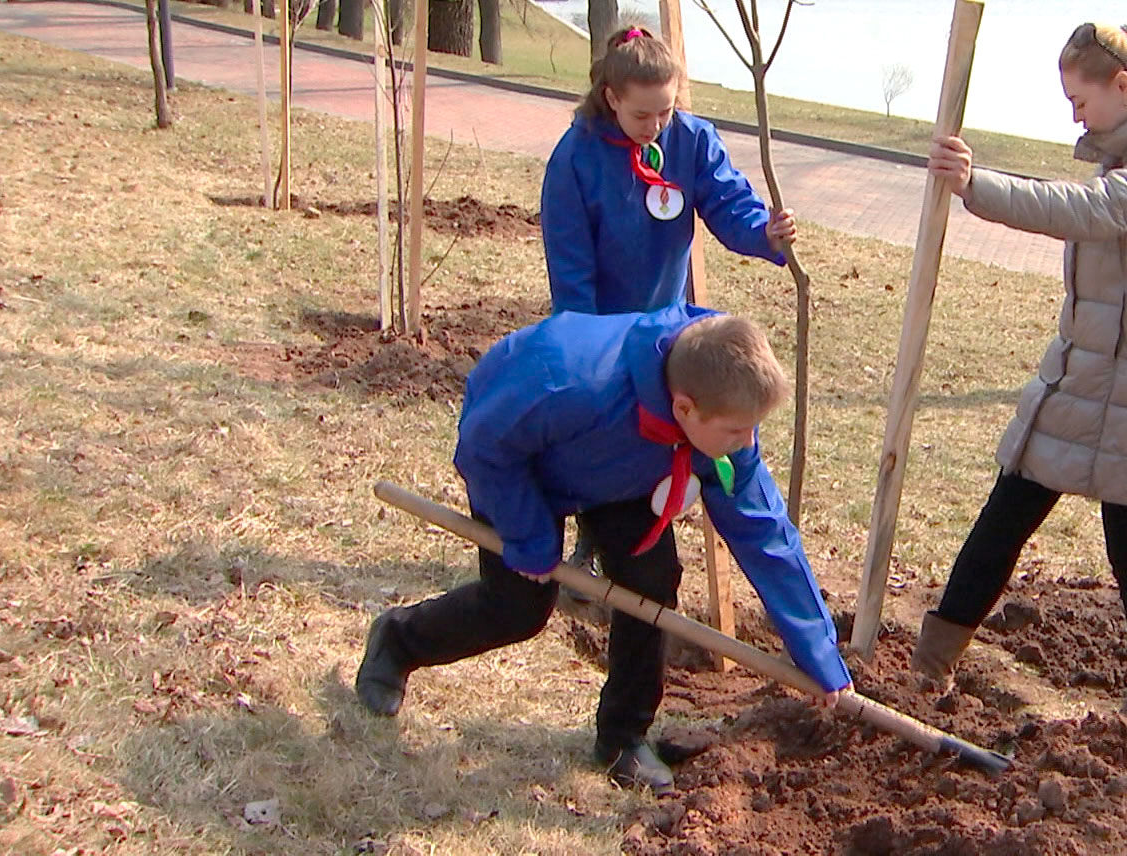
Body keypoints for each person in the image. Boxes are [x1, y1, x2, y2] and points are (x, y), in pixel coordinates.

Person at [354, 307, 852, 794]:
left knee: (651, 582)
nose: (746, 443)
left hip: (630, 469)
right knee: (519, 610)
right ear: (684, 407)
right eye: (735, 432)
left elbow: (765, 535)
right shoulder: (565, 380)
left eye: (751, 430)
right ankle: (399, 640)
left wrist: (819, 653)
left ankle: (623, 736)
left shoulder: (721, 396)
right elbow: (484, 448)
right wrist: (529, 535)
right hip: (525, 465)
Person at [911, 21, 1127, 732]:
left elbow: (1094, 215)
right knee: (1007, 511)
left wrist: (975, 186)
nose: (1074, 117)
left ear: (1125, 85)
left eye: (1080, 102)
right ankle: (928, 667)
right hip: (1083, 373)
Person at [539, 25, 797, 316]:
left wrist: (764, 231)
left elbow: (729, 202)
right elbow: (570, 267)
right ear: (612, 99)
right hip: (601, 326)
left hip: (667, 319)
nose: (655, 127)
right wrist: (588, 342)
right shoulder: (574, 158)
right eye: (641, 115)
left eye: (665, 111)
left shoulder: (693, 140)